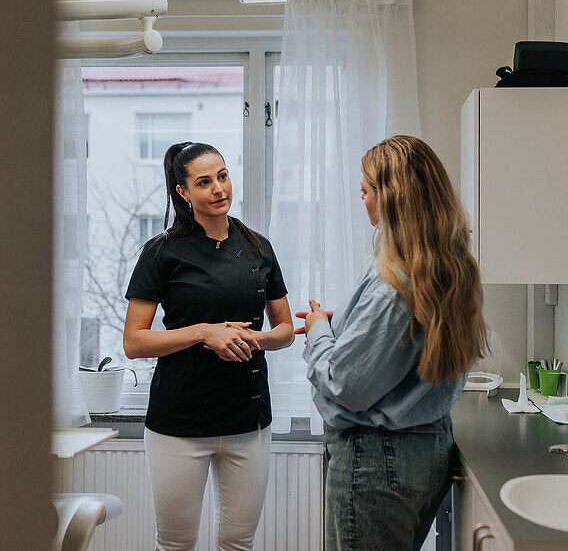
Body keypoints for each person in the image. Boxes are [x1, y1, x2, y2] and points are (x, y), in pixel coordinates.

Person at [296, 135, 488, 551]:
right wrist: (344, 323)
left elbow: (344, 385)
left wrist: (317, 329)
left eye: (365, 191)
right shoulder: (453, 268)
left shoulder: (394, 286)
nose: (362, 201)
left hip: (377, 465)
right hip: (426, 451)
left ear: (391, 197)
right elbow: (400, 349)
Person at [123, 141, 294, 551]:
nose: (219, 188)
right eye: (204, 182)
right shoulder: (161, 252)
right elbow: (134, 342)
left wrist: (259, 339)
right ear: (183, 193)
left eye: (223, 176)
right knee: (176, 544)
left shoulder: (258, 247)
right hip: (178, 424)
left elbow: (285, 328)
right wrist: (203, 332)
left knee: (238, 543)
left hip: (248, 421)